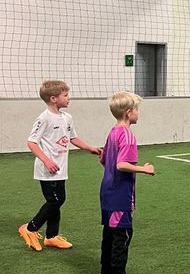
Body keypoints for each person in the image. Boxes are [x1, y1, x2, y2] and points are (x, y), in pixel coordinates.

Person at [18, 80, 101, 252]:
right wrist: (46, 161)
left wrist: (90, 148)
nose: (69, 98)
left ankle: (51, 237)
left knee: (57, 201)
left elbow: (73, 138)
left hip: (61, 168)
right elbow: (32, 142)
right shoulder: (44, 118)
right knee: (56, 200)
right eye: (66, 95)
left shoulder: (67, 118)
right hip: (47, 170)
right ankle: (30, 229)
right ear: (54, 98)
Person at [99, 92, 155, 274]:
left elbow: (103, 160)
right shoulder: (128, 136)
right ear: (128, 112)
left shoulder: (112, 132)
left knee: (108, 235)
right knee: (121, 238)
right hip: (120, 197)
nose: (138, 113)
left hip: (107, 193)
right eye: (137, 110)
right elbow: (121, 165)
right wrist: (144, 169)